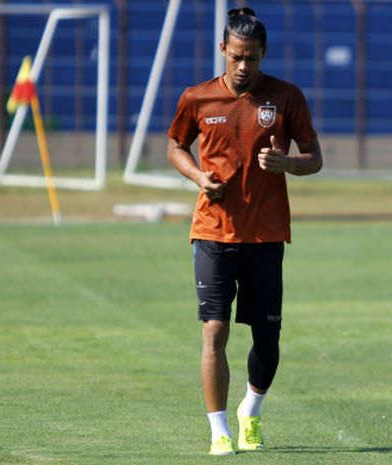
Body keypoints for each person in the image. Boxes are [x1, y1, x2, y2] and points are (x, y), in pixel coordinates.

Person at [167, 7, 323, 456]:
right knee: (214, 330)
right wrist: (198, 177)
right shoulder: (197, 98)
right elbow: (176, 145)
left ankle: (249, 412)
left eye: (251, 58)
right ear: (223, 50)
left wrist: (287, 164)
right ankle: (218, 431)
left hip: (266, 235)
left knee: (267, 337)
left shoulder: (287, 97)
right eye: (236, 57)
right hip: (213, 232)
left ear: (263, 54)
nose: (243, 67)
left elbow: (313, 157)